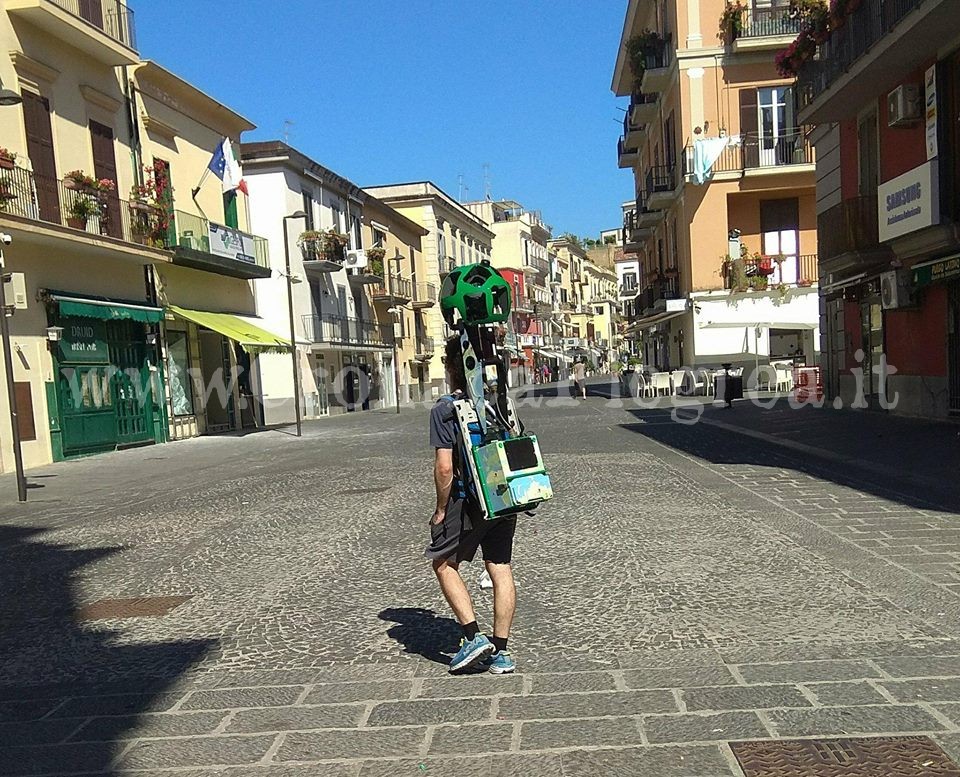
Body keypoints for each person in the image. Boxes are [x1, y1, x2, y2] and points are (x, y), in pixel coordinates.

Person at [425, 335, 517, 675]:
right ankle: (502, 653)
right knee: (499, 567)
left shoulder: (444, 409)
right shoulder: (500, 402)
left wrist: (439, 509)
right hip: (504, 494)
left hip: (468, 498)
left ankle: (473, 636)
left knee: (443, 564)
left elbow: (445, 467)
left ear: (452, 367)